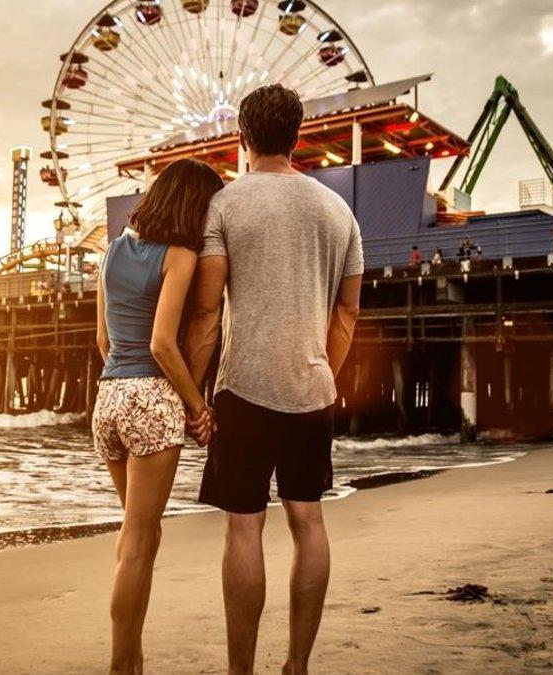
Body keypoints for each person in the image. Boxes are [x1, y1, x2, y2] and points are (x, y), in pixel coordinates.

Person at [184, 84, 363, 675]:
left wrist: (193, 393)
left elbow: (208, 311)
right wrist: (320, 376)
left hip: (245, 389)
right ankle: (298, 666)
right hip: (312, 390)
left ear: (242, 138)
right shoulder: (339, 212)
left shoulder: (226, 205)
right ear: (297, 137)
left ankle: (242, 670)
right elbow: (347, 313)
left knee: (245, 528)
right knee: (308, 520)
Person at [93, 158, 223, 674]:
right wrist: (198, 407)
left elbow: (104, 340)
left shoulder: (110, 252)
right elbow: (163, 343)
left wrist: (123, 385)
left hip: (107, 398)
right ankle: (124, 664)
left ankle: (131, 657)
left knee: (133, 538)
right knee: (140, 545)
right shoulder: (181, 255)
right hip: (150, 397)